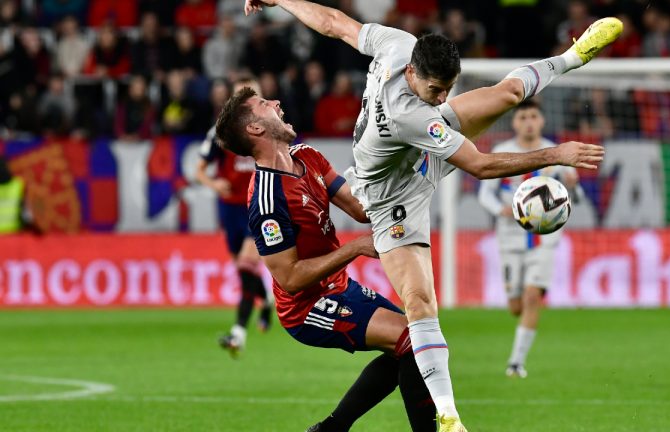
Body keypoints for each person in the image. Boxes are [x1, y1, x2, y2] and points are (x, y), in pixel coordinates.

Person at [245, 1, 618, 430]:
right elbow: (480, 166)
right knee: (420, 304)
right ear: (411, 74)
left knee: (510, 93)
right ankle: (448, 414)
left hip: (418, 156)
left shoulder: (398, 46)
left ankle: (573, 55)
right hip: (391, 202)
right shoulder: (412, 115)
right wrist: (557, 154)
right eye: (436, 89)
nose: (443, 98)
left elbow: (333, 23)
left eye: (448, 88)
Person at [214, 88, 437, 432]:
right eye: (263, 104)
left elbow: (361, 209)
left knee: (416, 343)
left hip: (339, 288)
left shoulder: (308, 156)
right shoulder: (267, 201)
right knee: (412, 340)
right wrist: (353, 249)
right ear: (255, 129)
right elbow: (288, 278)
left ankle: (330, 429)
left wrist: (399, 167)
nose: (276, 102)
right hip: (305, 308)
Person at [478, 99, 579, 379]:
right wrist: (497, 209)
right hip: (510, 237)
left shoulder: (556, 154)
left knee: (533, 296)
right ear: (514, 122)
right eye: (523, 117)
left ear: (542, 121)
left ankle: (515, 363)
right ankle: (519, 325)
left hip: (544, 238)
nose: (529, 122)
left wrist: (574, 186)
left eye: (533, 116)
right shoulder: (501, 152)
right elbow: (485, 193)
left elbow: (574, 199)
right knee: (515, 306)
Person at [196, 78, 272, 357]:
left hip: (258, 206)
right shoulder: (220, 132)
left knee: (247, 263)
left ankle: (238, 333)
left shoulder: (271, 130)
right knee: (244, 272)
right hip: (229, 209)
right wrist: (214, 184)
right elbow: (200, 170)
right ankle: (264, 303)